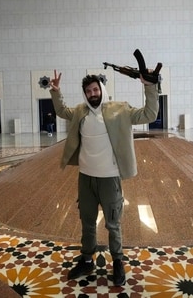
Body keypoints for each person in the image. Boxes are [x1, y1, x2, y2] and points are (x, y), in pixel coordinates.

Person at [49, 69, 159, 286]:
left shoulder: (120, 109)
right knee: (87, 222)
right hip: (86, 177)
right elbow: (61, 110)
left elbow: (149, 114)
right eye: (88, 91)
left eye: (95, 89)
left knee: (113, 223)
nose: (92, 94)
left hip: (109, 178)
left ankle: (118, 261)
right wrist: (56, 91)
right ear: (85, 94)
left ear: (102, 89)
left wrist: (149, 86)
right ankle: (87, 259)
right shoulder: (80, 111)